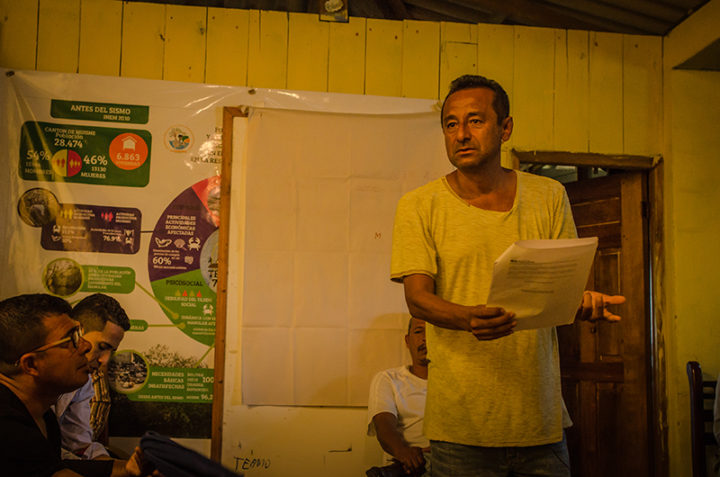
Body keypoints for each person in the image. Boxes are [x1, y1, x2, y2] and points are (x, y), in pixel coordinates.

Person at [390, 74, 626, 477]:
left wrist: (581, 303)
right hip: (460, 427)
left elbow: (561, 289)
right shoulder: (419, 205)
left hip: (539, 423)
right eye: (451, 124)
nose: (461, 134)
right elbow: (417, 299)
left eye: (475, 120)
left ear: (505, 128)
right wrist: (467, 318)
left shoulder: (549, 195)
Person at [0, 293, 156, 477]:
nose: (85, 346)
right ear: (32, 364)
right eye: (72, 339)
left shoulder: (45, 417)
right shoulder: (8, 427)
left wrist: (128, 469)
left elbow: (54, 464)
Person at [55, 293, 131, 459]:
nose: (105, 360)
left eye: (111, 351)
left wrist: (127, 467)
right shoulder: (39, 371)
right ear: (76, 333)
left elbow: (79, 445)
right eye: (102, 347)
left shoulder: (84, 380)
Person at [367, 317, 430, 475]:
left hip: (448, 461)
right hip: (403, 466)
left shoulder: (455, 383)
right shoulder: (389, 379)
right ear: (408, 341)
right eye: (419, 331)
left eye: (432, 332)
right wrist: (405, 454)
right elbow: (384, 426)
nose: (425, 338)